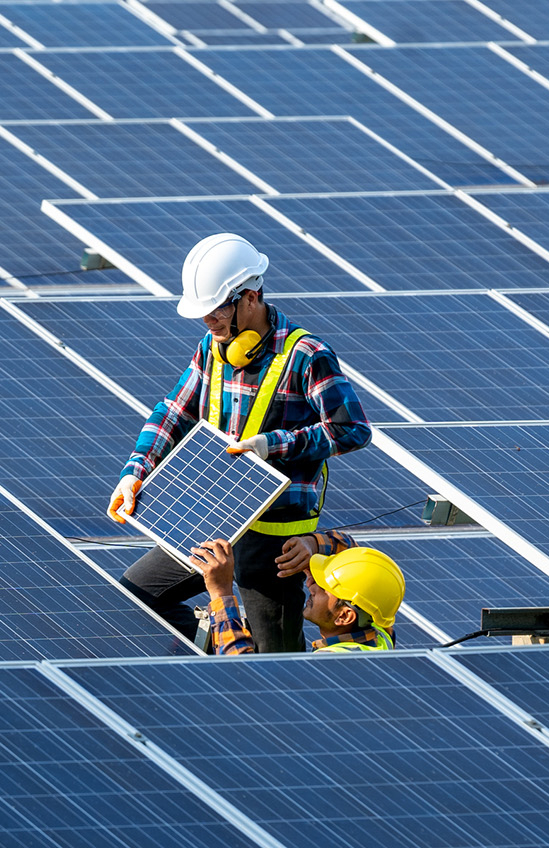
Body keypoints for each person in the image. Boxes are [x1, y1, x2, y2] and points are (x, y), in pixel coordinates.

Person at [106, 232, 371, 653]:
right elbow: (175, 411)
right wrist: (134, 472)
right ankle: (217, 642)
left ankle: (241, 659)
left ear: (249, 297)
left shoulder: (307, 354)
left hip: (275, 540)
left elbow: (352, 430)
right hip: (213, 516)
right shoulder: (212, 348)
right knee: (135, 594)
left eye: (215, 313)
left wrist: (272, 446)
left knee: (273, 664)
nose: (209, 324)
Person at [189, 533, 405, 655]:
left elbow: (242, 674)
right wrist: (313, 544)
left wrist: (221, 592)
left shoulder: (329, 665)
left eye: (322, 587)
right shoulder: (380, 634)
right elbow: (358, 557)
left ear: (345, 616)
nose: (309, 583)